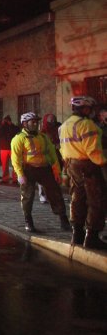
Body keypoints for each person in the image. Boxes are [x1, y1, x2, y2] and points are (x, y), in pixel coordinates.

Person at [59, 96, 107, 249]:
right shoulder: (87, 125)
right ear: (85, 109)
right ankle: (91, 237)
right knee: (96, 200)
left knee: (77, 198)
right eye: (90, 109)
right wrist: (104, 162)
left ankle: (77, 234)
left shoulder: (64, 125)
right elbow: (93, 151)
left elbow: (63, 149)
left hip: (72, 165)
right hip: (88, 166)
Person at [11, 112, 71, 233]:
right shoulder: (18, 138)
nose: (35, 124)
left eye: (36, 122)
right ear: (24, 124)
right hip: (29, 170)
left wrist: (56, 172)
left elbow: (52, 154)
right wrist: (20, 174)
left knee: (55, 193)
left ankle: (63, 220)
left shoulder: (43, 137)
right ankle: (28, 221)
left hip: (44, 169)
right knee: (27, 196)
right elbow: (15, 159)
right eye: (32, 122)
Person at [39, 113, 62, 203]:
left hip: (57, 154)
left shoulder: (59, 127)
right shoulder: (43, 131)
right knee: (45, 177)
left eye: (53, 120)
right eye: (50, 121)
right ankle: (43, 195)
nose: (52, 122)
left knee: (56, 176)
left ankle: (55, 195)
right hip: (47, 156)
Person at [0, 115, 20, 184]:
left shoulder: (14, 127)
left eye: (7, 121)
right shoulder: (1, 128)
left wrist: (11, 125)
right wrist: (2, 125)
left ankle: (14, 179)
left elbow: (17, 134)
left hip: (11, 148)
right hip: (4, 148)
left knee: (14, 164)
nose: (6, 122)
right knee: (5, 165)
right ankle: (5, 178)